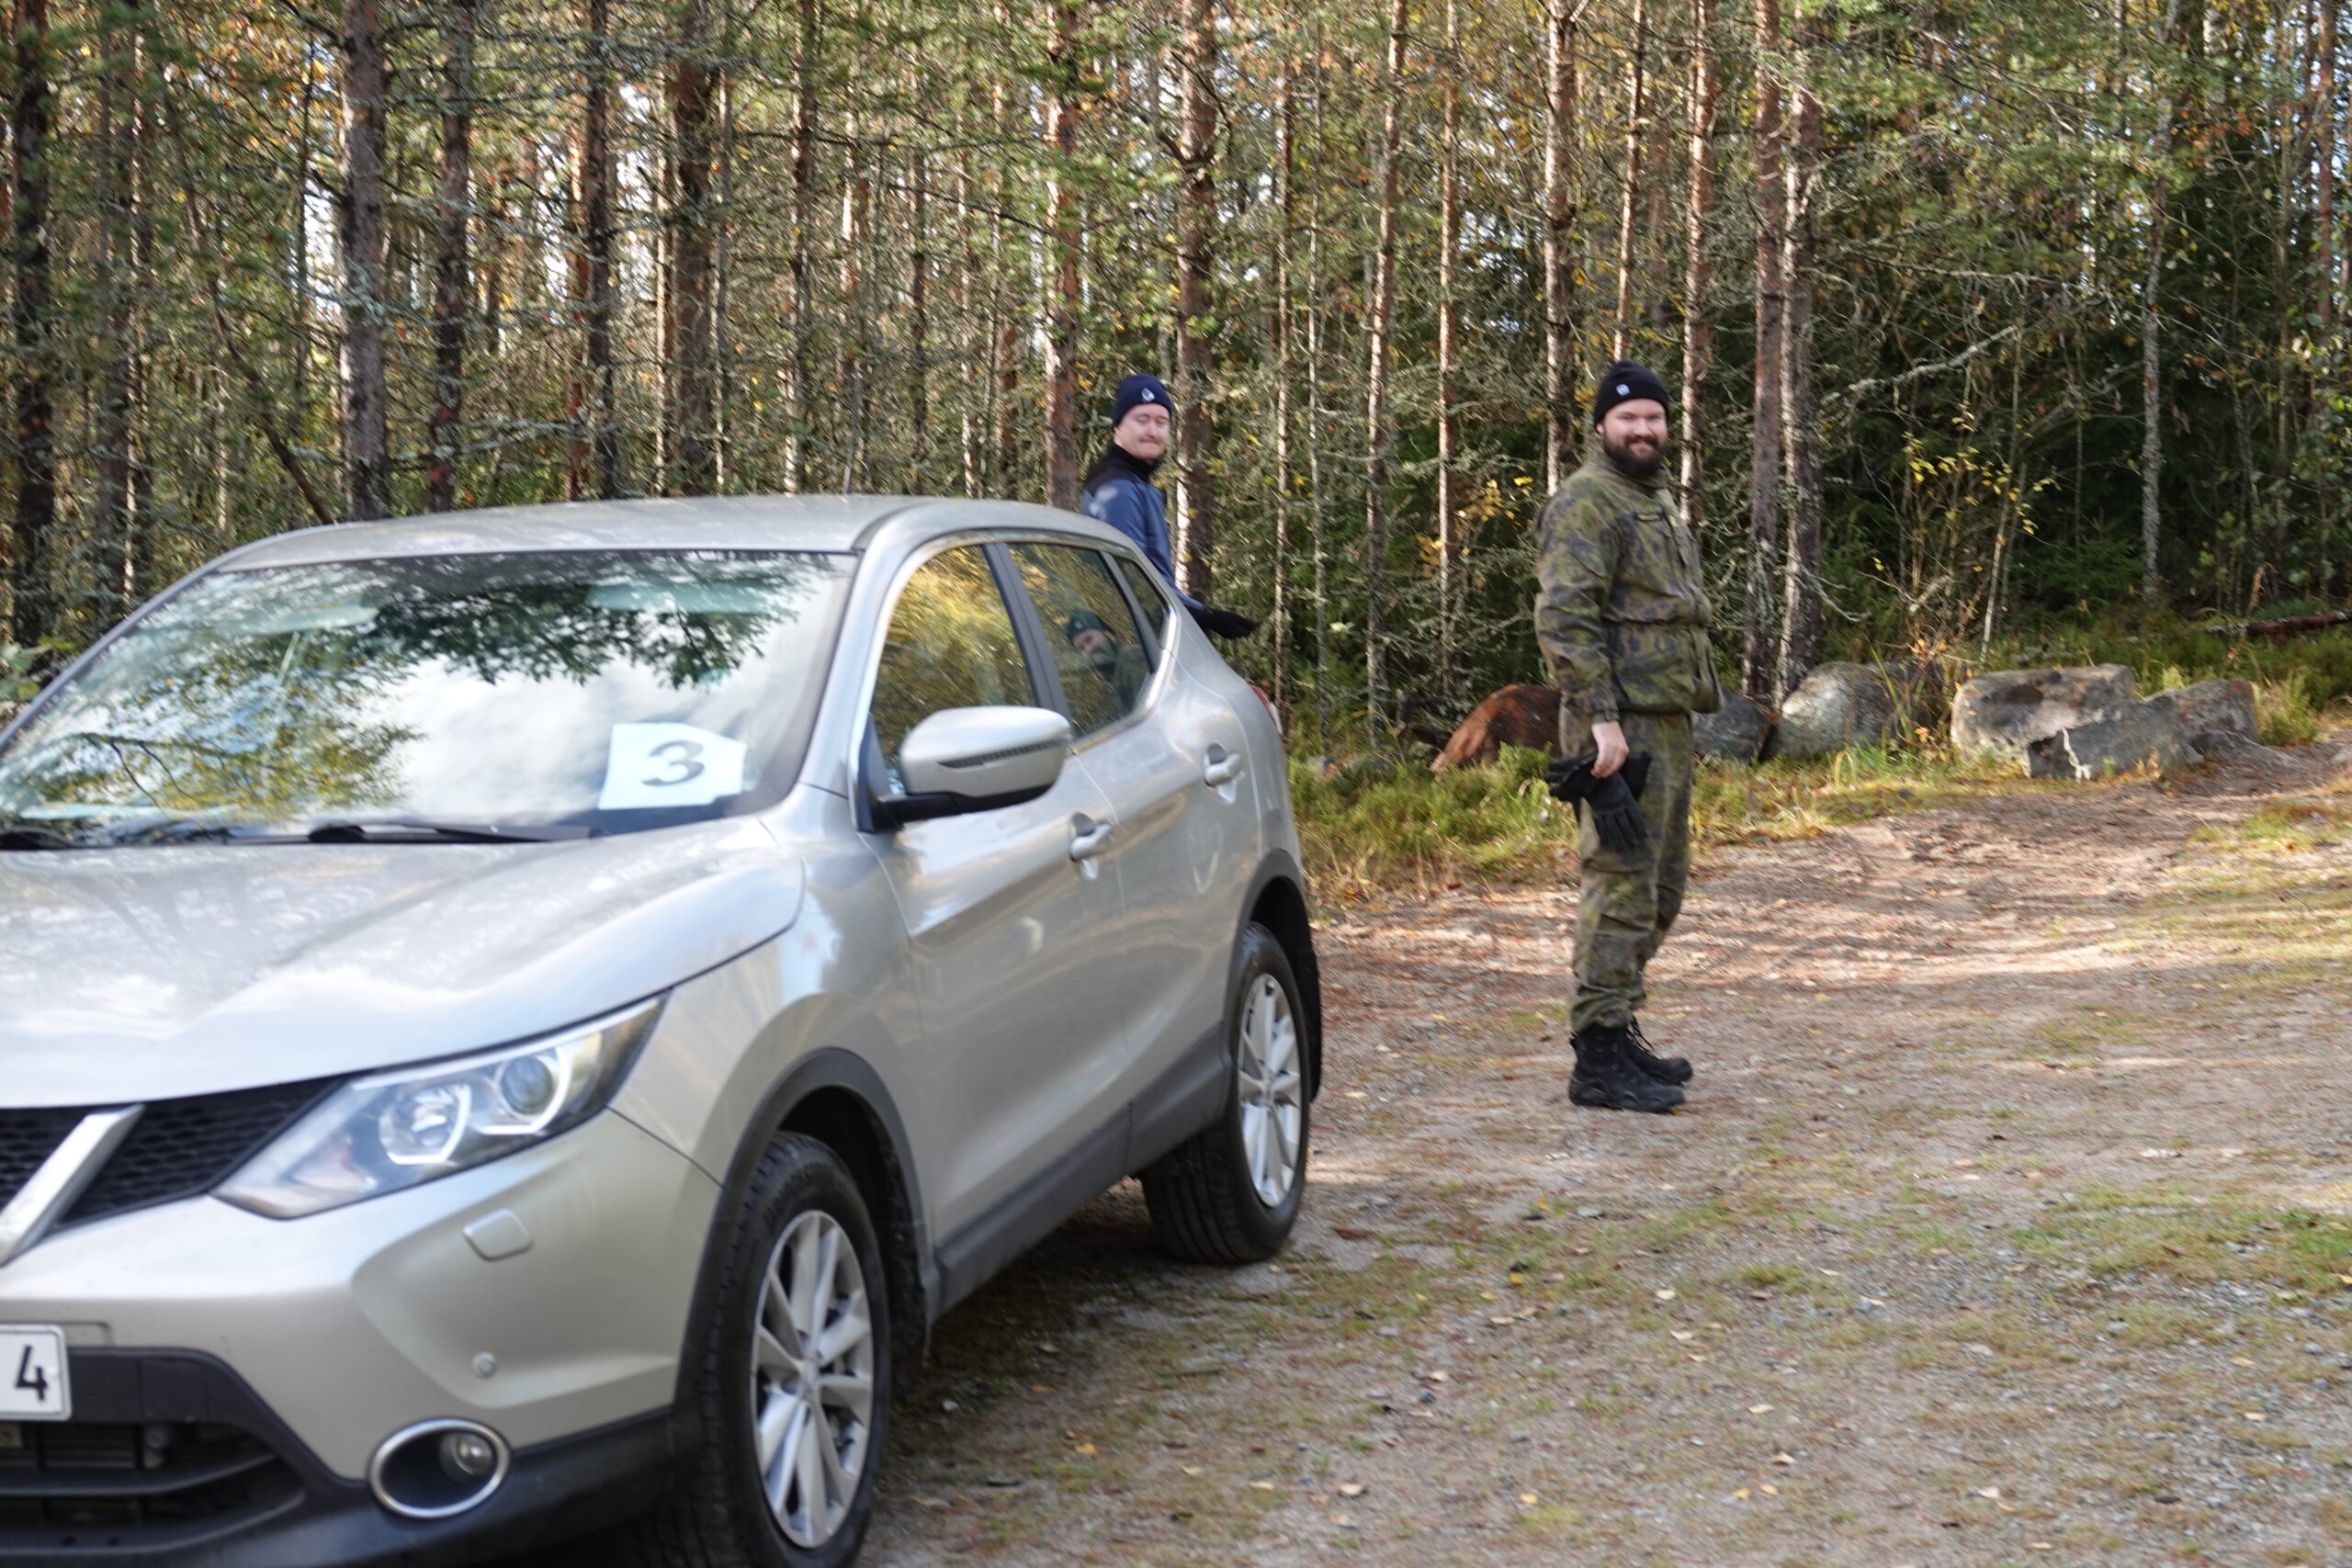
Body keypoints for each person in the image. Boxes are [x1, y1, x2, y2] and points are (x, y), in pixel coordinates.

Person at [1533, 360, 1724, 1114]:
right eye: (1629, 418)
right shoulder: (1586, 501)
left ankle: (1618, 1021)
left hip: (1664, 717)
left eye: (1653, 417)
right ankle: (1598, 1057)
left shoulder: (1650, 496)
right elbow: (1564, 617)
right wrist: (1600, 719)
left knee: (1661, 888)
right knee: (1620, 884)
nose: (1643, 430)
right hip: (1619, 727)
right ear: (1601, 427)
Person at [1080, 373, 1259, 640]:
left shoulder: (1136, 484)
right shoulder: (1117, 490)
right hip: (1133, 641)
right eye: (1142, 420)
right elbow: (1132, 581)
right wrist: (1206, 617)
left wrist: (1204, 614)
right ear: (1118, 426)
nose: (1152, 431)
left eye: (1161, 422)